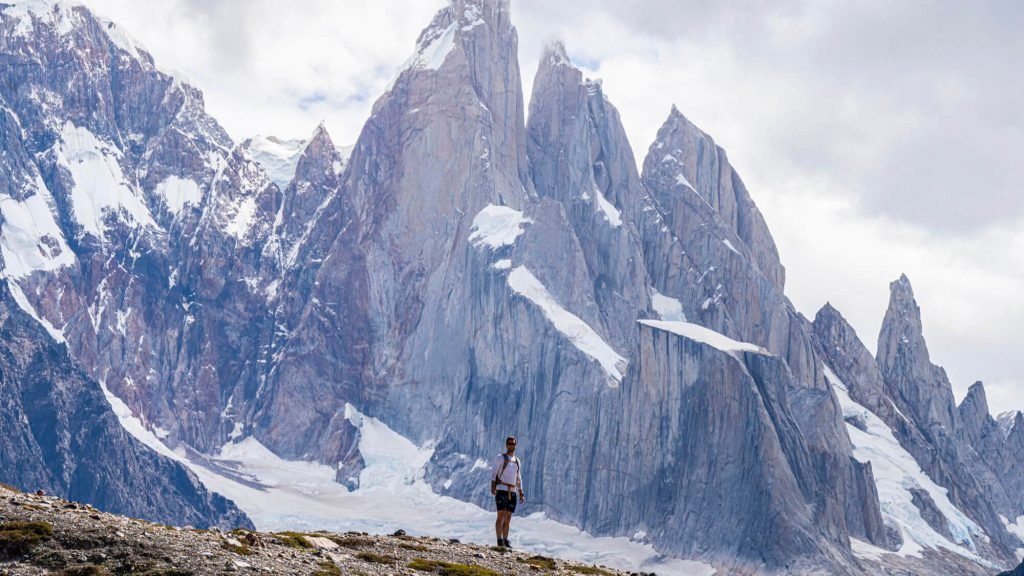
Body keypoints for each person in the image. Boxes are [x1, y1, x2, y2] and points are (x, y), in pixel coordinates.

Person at [490, 436, 524, 548]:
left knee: (508, 516)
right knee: (500, 515)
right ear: (506, 445)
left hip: (512, 491)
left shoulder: (517, 461)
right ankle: (499, 539)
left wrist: (521, 492)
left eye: (513, 444)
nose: (511, 445)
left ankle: (505, 539)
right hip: (501, 489)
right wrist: (493, 486)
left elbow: (518, 478)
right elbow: (494, 471)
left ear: (515, 445)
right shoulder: (500, 458)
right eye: (509, 443)